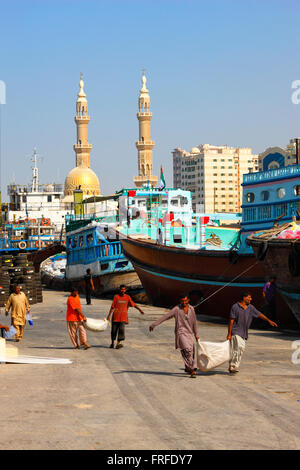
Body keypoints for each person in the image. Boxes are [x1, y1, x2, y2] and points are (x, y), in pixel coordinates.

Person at [227, 292, 278, 374]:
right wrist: (229, 333)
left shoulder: (250, 308)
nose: (251, 299)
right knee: (239, 347)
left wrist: (268, 320)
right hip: (235, 331)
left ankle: (233, 366)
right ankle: (233, 366)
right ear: (244, 298)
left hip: (244, 333)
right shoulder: (235, 307)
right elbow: (231, 320)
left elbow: (259, 314)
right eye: (249, 297)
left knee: (240, 349)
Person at [149, 294, 199, 378]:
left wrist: (196, 334)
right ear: (180, 301)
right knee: (187, 350)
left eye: (185, 301)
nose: (184, 302)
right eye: (182, 301)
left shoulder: (191, 309)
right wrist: (154, 324)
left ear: (188, 300)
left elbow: (194, 322)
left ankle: (187, 367)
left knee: (191, 351)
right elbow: (166, 316)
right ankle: (193, 369)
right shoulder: (176, 309)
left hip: (190, 333)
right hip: (181, 333)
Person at [107, 285, 145, 349]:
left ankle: (118, 344)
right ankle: (112, 343)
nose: (122, 291)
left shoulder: (127, 297)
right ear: (119, 290)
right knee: (113, 331)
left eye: (124, 289)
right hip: (115, 317)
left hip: (123, 317)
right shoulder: (116, 297)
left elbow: (133, 304)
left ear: (125, 290)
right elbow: (112, 307)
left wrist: (140, 310)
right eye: (121, 289)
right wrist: (108, 316)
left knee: (121, 330)